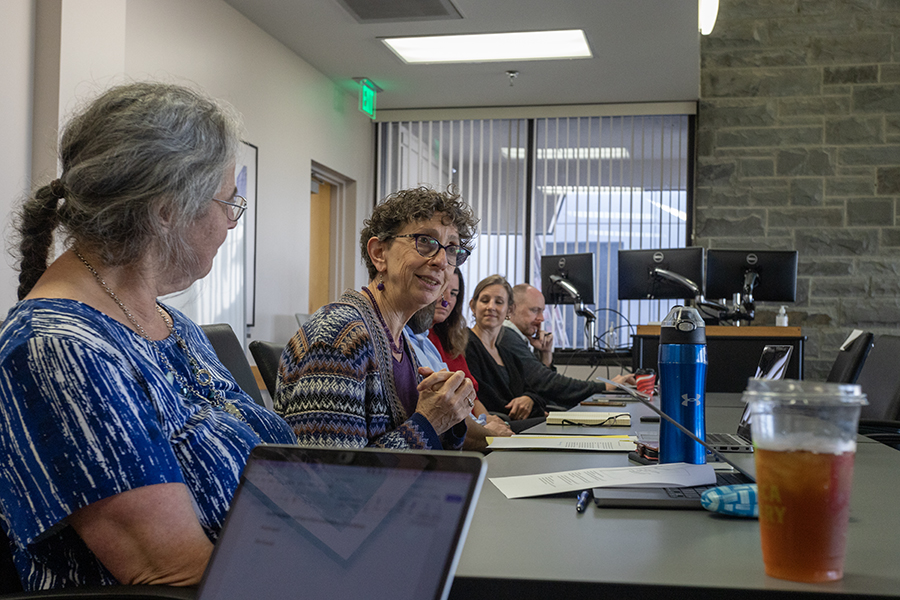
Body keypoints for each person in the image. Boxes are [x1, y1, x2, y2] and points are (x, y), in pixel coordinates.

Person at [0, 83, 297, 592]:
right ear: (166, 210)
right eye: (228, 202)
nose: (231, 221)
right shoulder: (57, 348)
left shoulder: (170, 325)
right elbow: (172, 571)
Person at [275, 187, 478, 449]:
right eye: (425, 241)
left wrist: (452, 415)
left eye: (452, 249)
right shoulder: (339, 335)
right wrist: (429, 423)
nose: (441, 261)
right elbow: (331, 479)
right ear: (379, 253)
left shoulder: (400, 341)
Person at [498, 283, 635, 406]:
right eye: (534, 310)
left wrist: (546, 354)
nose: (541, 318)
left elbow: (538, 385)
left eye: (542, 311)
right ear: (510, 310)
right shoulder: (507, 336)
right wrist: (604, 386)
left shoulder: (515, 337)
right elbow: (547, 384)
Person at [404, 301, 513, 449]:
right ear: (473, 306)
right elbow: (451, 415)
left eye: (453, 293)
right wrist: (491, 433)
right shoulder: (407, 341)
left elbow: (468, 400)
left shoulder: (431, 341)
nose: (443, 299)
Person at [430, 267, 510, 431]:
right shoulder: (421, 337)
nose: (447, 300)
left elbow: (472, 395)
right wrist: (487, 428)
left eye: (454, 293)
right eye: (442, 290)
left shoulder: (451, 338)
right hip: (457, 429)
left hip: (475, 423)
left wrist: (488, 419)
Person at [465, 275, 548, 429]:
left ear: (509, 310)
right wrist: (533, 409)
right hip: (495, 426)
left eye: (499, 302)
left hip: (516, 423)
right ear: (473, 306)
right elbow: (486, 399)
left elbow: (534, 390)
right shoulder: (466, 344)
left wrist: (529, 399)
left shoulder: (507, 354)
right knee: (551, 424)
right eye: (485, 300)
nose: (491, 307)